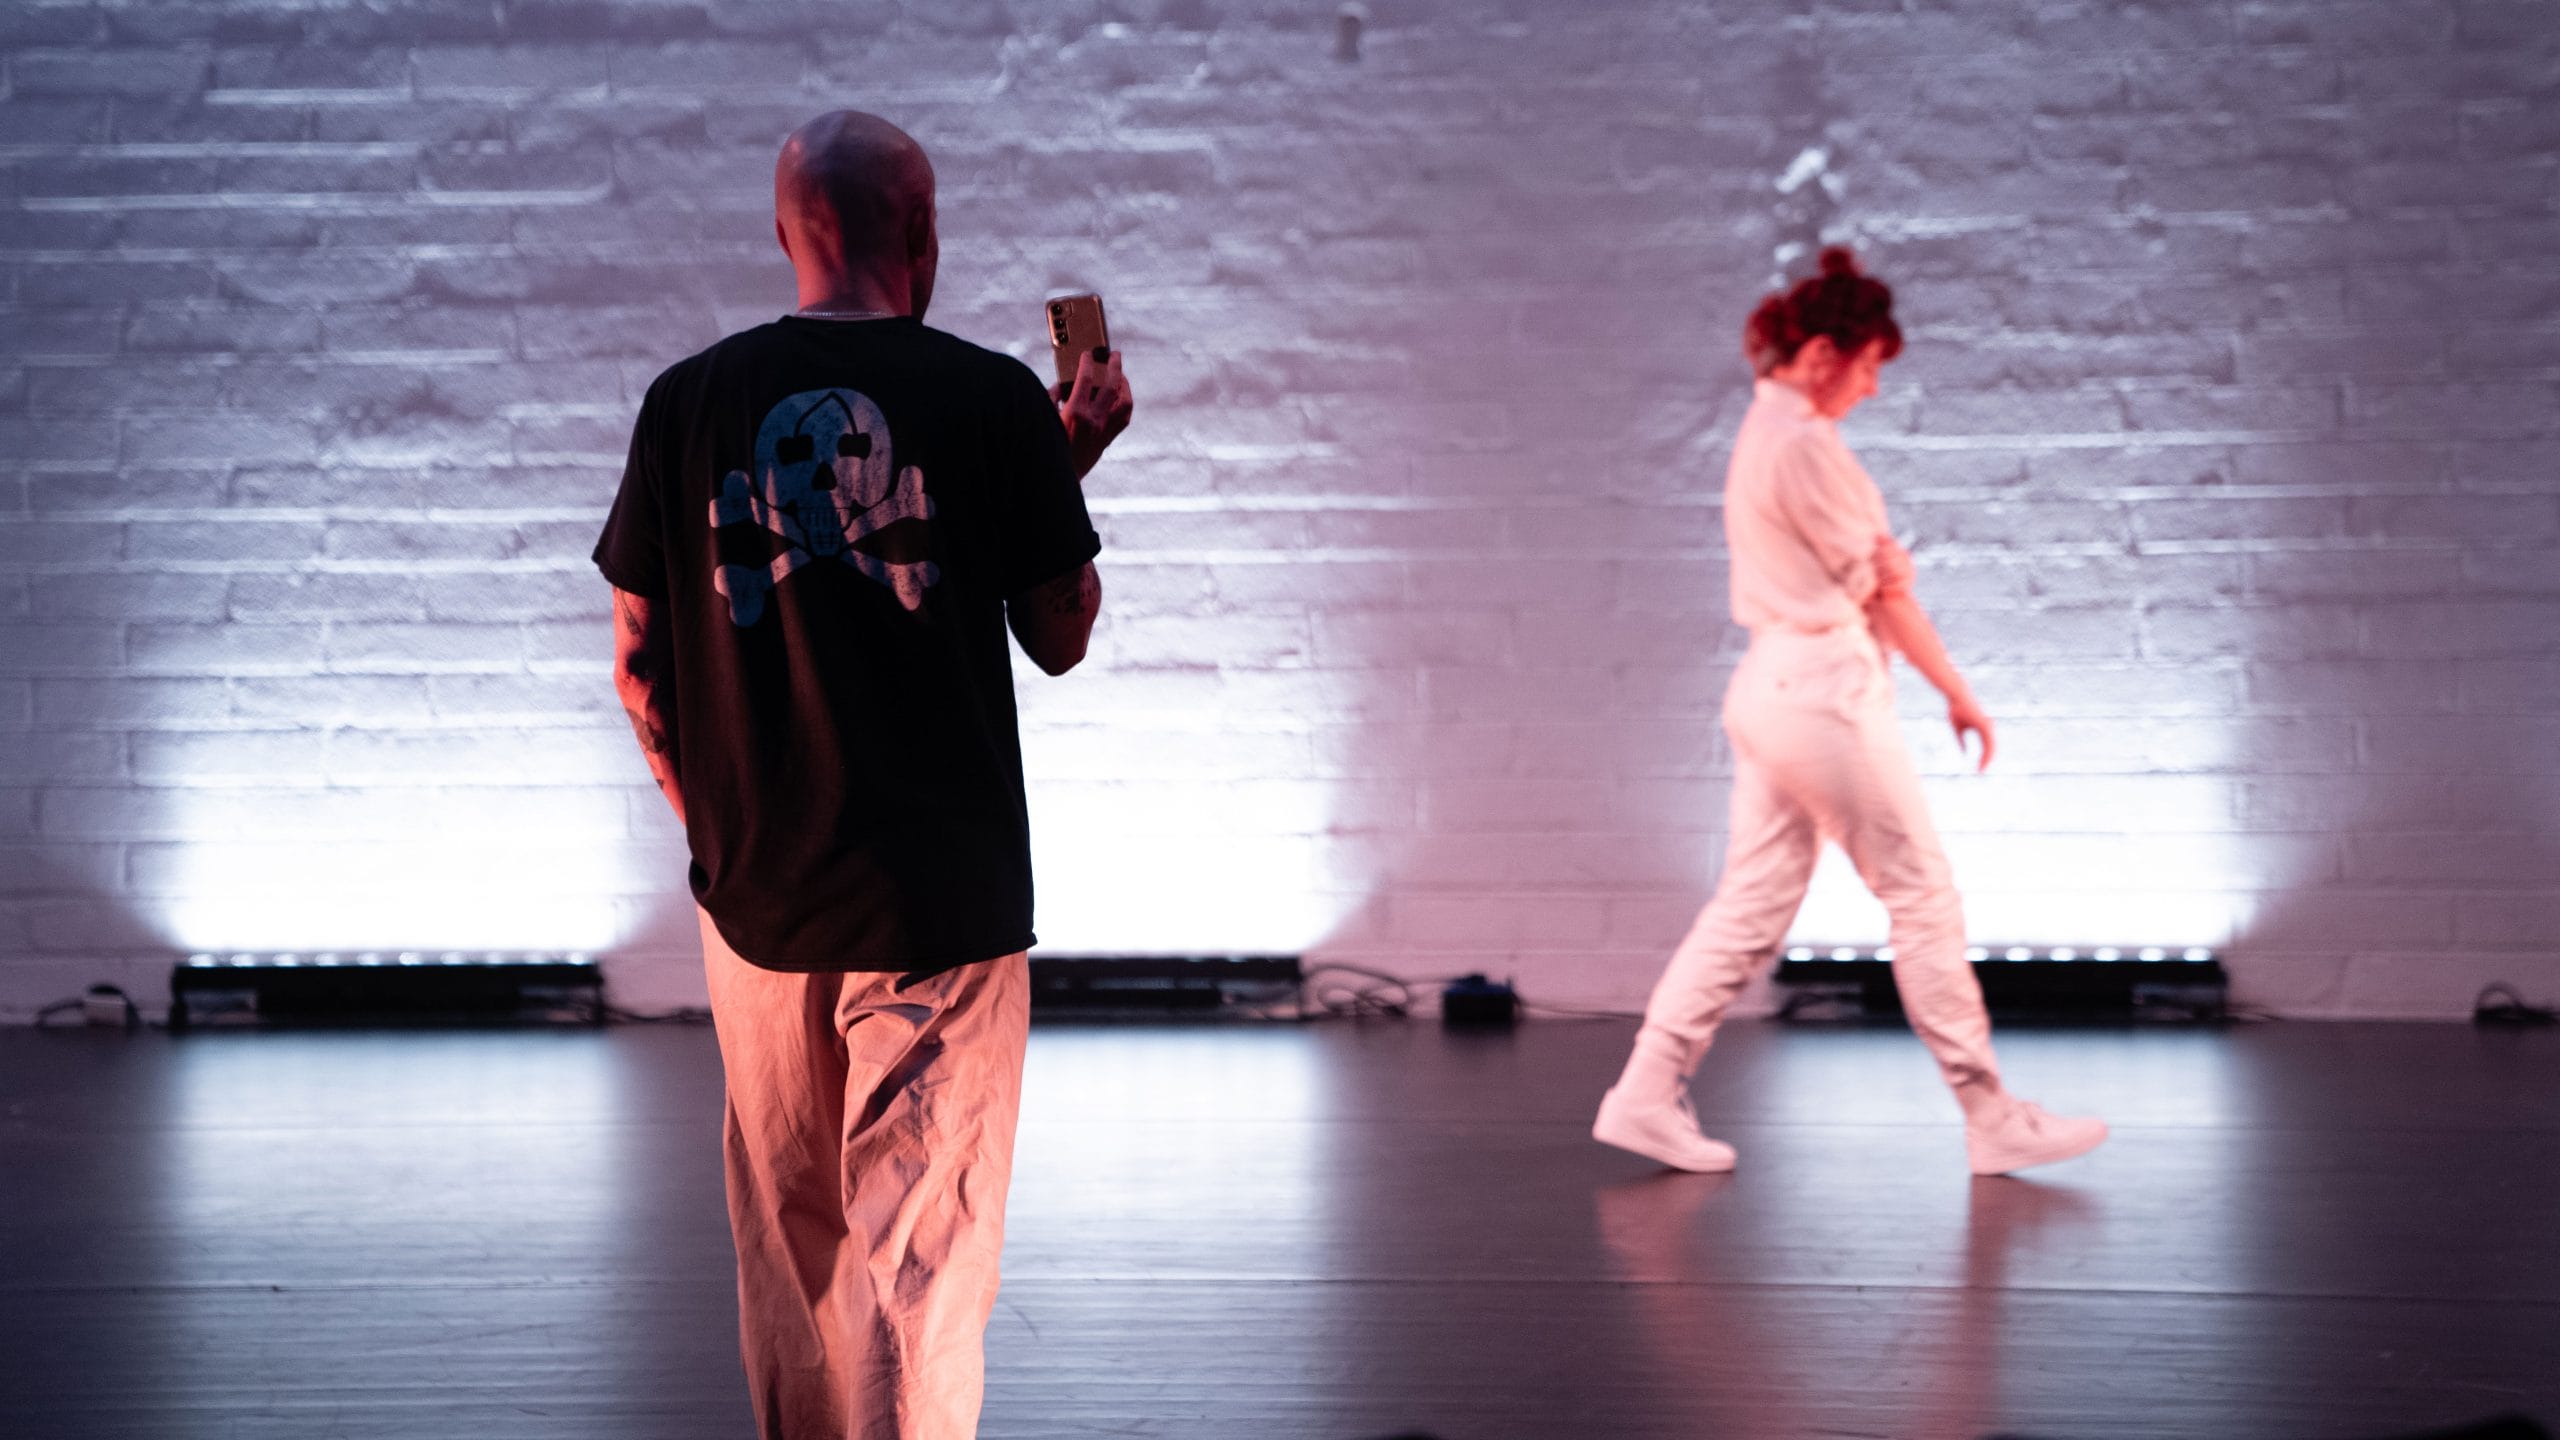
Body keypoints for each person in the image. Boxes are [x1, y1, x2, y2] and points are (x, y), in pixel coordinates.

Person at [595, 109, 1133, 1439]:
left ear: (786, 231)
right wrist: (1067, 469)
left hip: (757, 904)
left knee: (792, 1265)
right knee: (923, 1271)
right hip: (939, 914)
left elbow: (640, 667)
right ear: (923, 229)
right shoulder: (996, 398)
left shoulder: (687, 403)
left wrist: (724, 832)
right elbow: (1057, 638)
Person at [1592, 247, 2106, 1179]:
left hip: (1771, 690)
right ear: (1825, 352)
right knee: (1920, 891)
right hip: (1820, 695)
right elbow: (1881, 592)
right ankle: (1989, 1116)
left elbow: (1871, 577)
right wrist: (1956, 688)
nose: (1872, 389)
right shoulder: (1804, 449)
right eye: (1869, 367)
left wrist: (1892, 585)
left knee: (1747, 906)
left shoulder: (1767, 437)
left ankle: (1642, 1094)